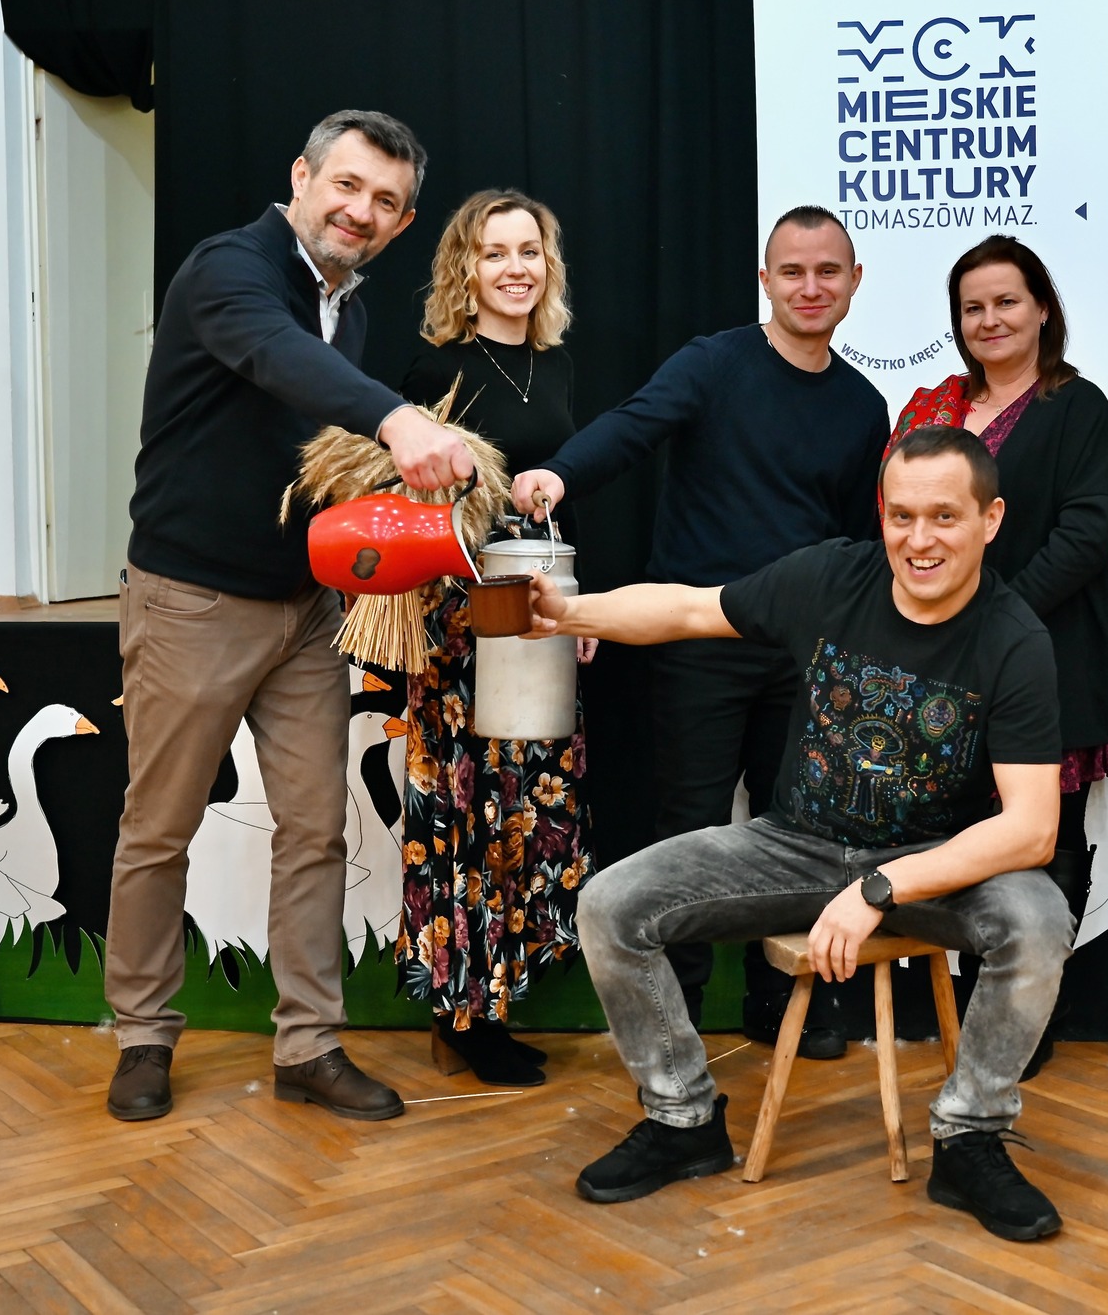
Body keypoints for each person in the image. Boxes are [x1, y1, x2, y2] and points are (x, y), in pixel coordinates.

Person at [536, 426, 1071, 1242]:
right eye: (901, 516)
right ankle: (683, 1120)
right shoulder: (829, 577)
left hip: (928, 862)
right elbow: (689, 607)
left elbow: (1032, 830)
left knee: (1037, 918)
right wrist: (568, 612)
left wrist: (879, 888)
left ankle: (970, 1138)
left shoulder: (1014, 639)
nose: (919, 540)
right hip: (796, 844)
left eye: (944, 516)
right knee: (611, 903)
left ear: (989, 520)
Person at [106, 110, 475, 1123]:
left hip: (306, 609)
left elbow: (309, 441)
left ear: (403, 224)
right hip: (190, 599)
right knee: (159, 828)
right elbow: (274, 356)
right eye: (347, 186)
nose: (361, 211)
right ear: (303, 176)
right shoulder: (230, 269)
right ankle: (142, 1035)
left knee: (315, 830)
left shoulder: (348, 305)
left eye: (385, 202)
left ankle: (308, 1045)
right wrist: (396, 418)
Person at [508, 206, 890, 1058]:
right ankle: (673, 1017)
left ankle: (778, 1001)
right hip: (694, 640)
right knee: (689, 830)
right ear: (765, 279)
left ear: (854, 282)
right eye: (793, 271)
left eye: (828, 271)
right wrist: (559, 476)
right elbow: (631, 427)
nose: (811, 286)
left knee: (795, 827)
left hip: (801, 656)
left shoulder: (864, 406)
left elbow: (859, 540)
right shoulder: (714, 364)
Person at [885, 235, 1108, 1075]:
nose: (989, 320)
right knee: (964, 832)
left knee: (1043, 838)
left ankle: (1028, 1014)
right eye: (972, 307)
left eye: (1006, 302)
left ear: (1043, 309)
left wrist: (996, 617)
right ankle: (968, 1007)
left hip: (1054, 656)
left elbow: (1090, 530)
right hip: (947, 664)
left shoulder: (1078, 405)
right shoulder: (938, 408)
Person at [392, 189, 596, 1087]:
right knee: (466, 813)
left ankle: (498, 1000)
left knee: (526, 811)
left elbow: (560, 502)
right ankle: (462, 1016)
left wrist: (578, 612)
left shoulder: (556, 366)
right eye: (495, 252)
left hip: (541, 614)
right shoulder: (433, 368)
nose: (516, 268)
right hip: (461, 620)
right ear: (464, 269)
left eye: (530, 251)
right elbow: (410, 505)